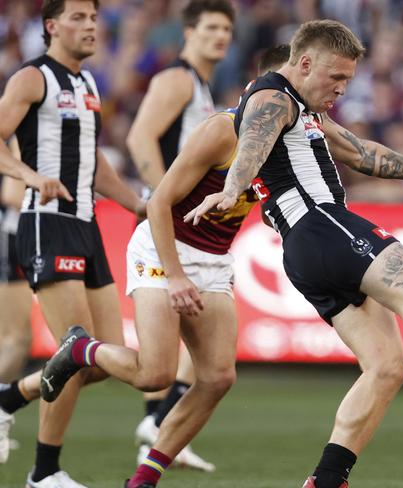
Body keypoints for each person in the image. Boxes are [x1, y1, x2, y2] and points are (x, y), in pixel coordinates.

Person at [185, 20, 403, 488]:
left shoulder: (304, 110)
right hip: (321, 224)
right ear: (304, 63)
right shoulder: (274, 94)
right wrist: (231, 188)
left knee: (386, 366)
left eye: (348, 80)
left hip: (305, 249)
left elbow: (360, 152)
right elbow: (252, 141)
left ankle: (327, 480)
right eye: (336, 78)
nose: (342, 89)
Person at [38, 45, 291, 488]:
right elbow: (158, 204)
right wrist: (174, 276)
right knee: (154, 373)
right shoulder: (223, 130)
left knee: (217, 377)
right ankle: (81, 349)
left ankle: (143, 479)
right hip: (163, 250)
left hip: (213, 259)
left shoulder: (289, 138)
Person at [0, 1, 145, 486]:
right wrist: (27, 175)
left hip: (88, 226)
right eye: (79, 17)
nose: (89, 26)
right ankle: (44, 474)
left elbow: (94, 162)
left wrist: (136, 204)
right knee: (77, 348)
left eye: (93, 18)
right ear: (51, 26)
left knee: (101, 358)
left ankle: (8, 398)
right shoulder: (32, 78)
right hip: (47, 223)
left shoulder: (87, 83)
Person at [126, 0, 235, 471]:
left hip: (190, 224)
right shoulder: (176, 78)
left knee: (201, 351)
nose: (220, 36)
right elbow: (139, 138)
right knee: (164, 362)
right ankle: (157, 421)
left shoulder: (202, 87)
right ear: (188, 32)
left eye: (227, 29)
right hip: (167, 221)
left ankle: (159, 423)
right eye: (210, 27)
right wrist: (159, 197)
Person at [0, 140, 32, 384]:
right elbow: (12, 194)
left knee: (14, 339)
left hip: (16, 237)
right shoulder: (25, 134)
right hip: (12, 237)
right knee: (15, 339)